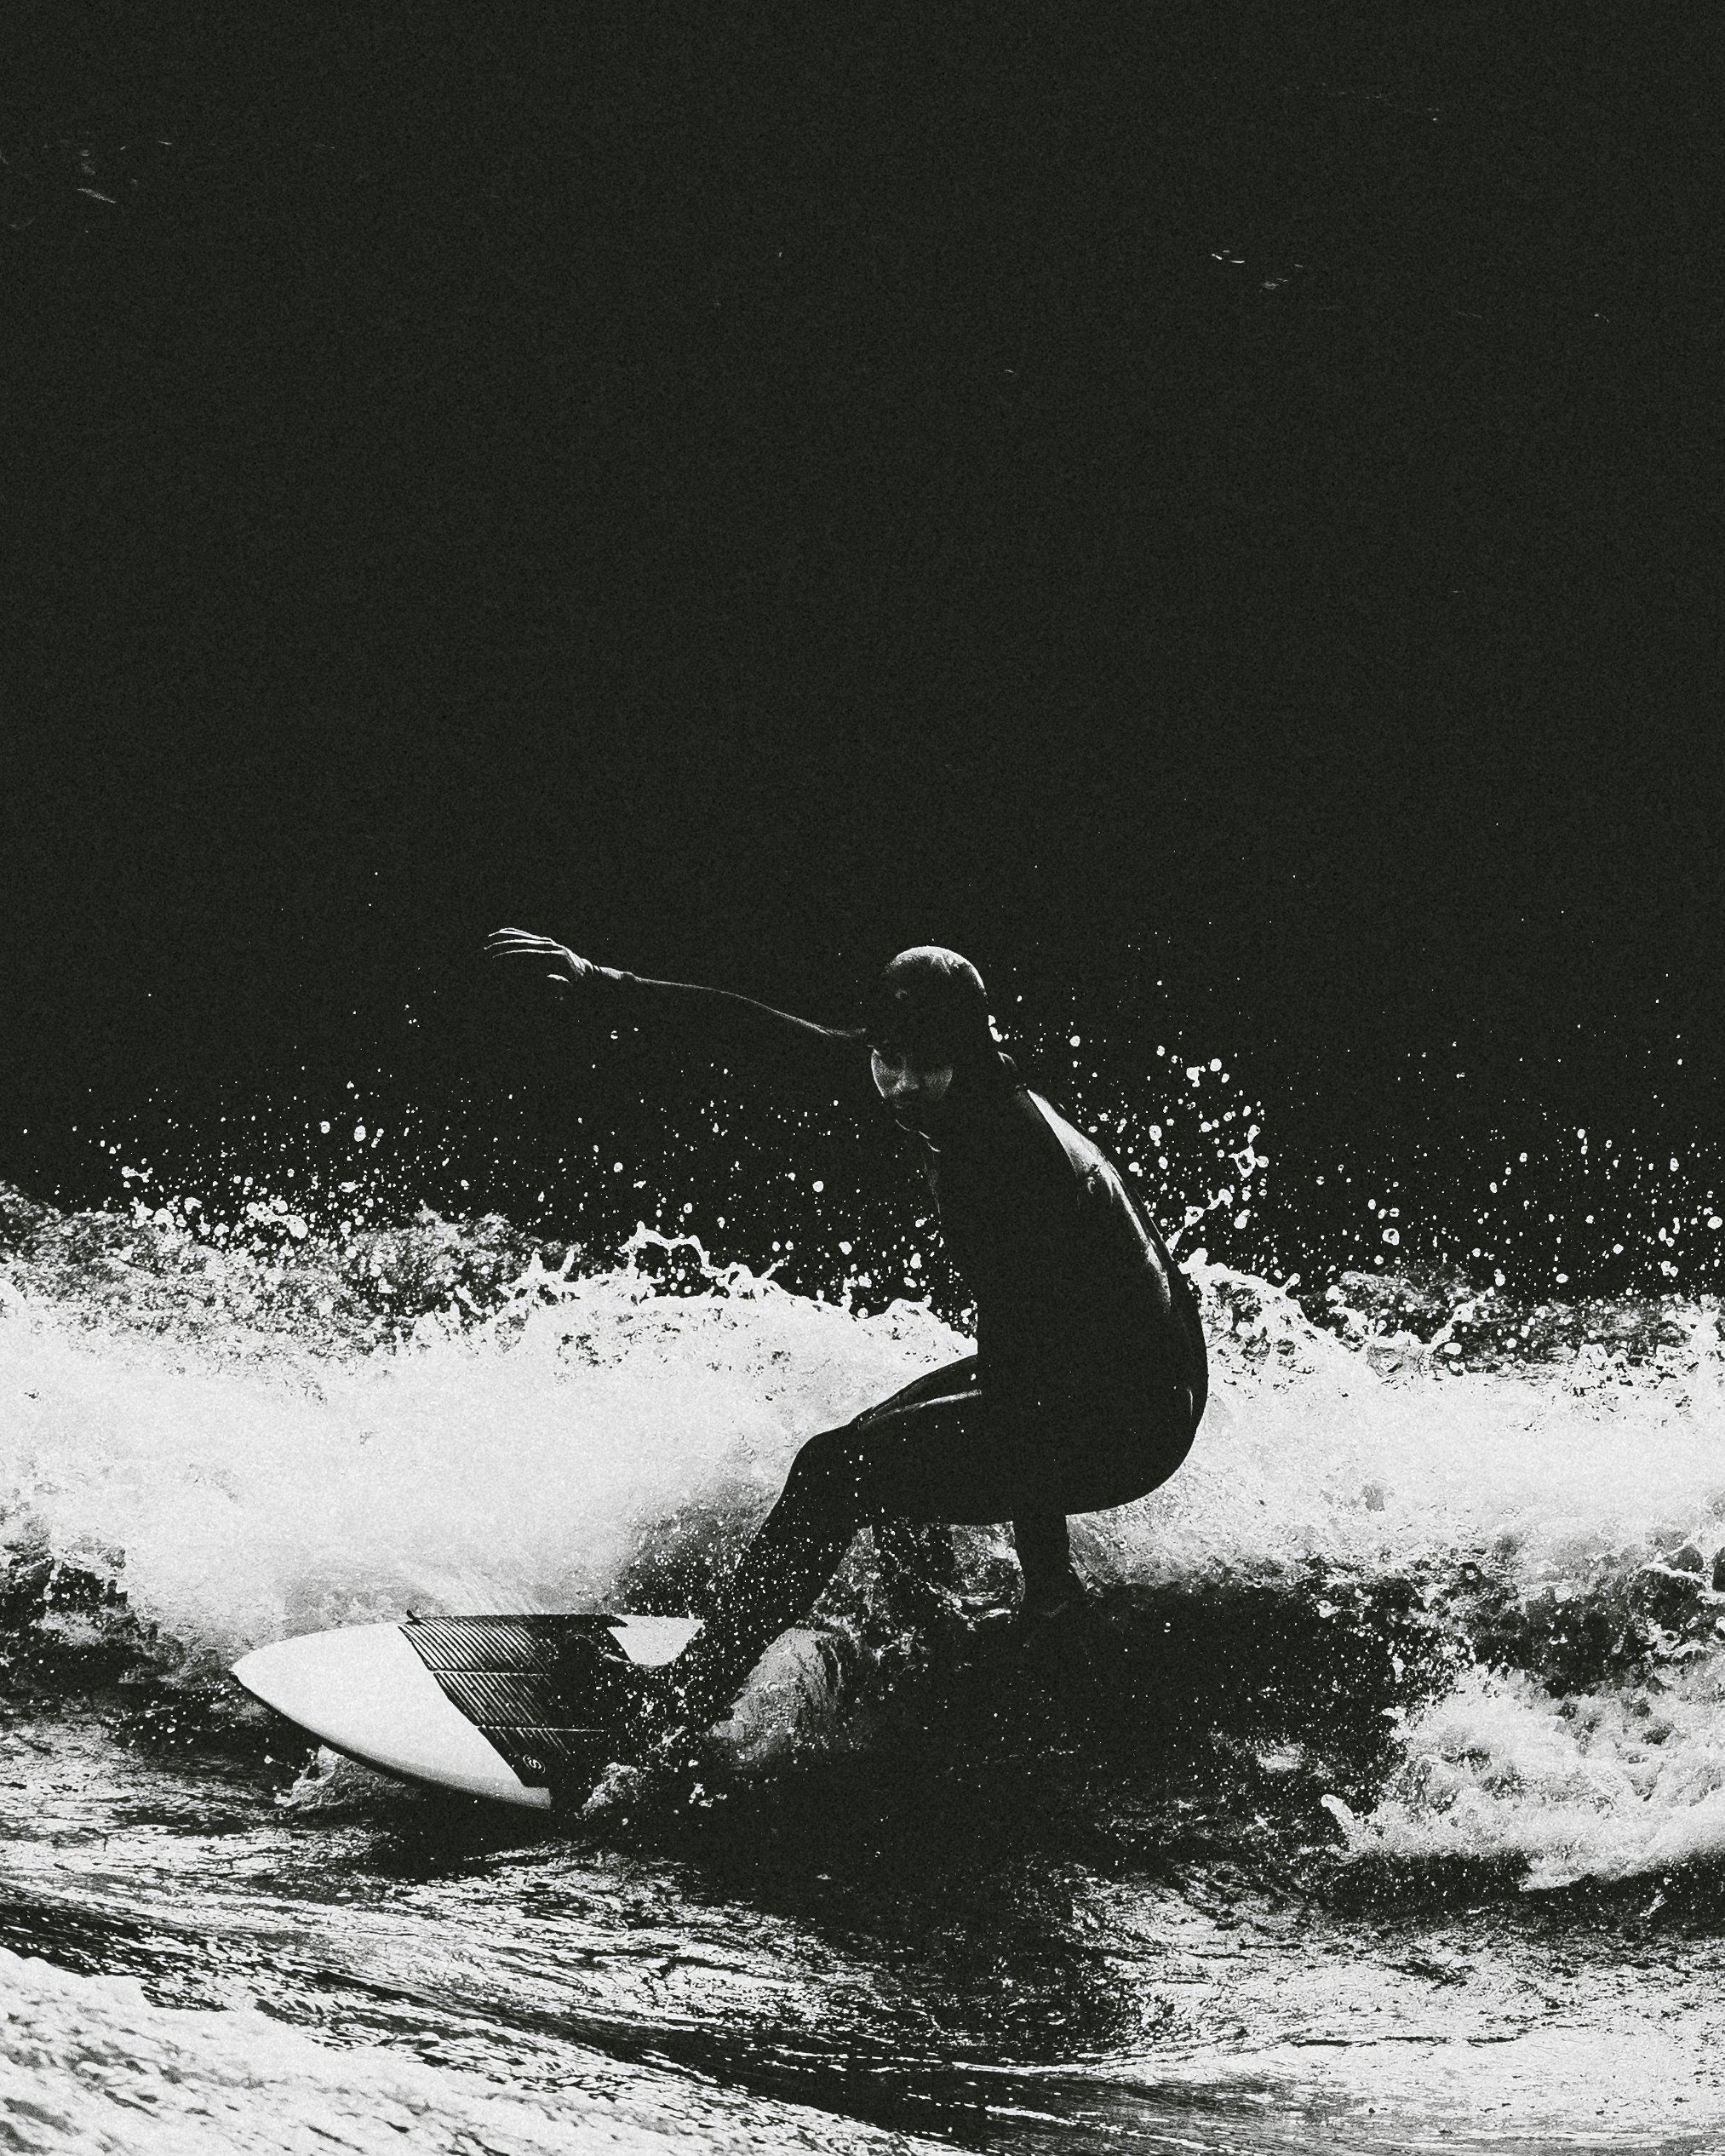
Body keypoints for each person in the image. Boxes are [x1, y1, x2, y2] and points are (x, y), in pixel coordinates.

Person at [486, 929, 1207, 1742]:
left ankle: (681, 1704)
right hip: (1105, 1363)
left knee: (835, 1473)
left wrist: (1045, 1579)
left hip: (1133, 1414)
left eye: (924, 1066)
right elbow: (761, 1036)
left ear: (969, 1055)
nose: (901, 1086)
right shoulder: (927, 1085)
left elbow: (1028, 1403)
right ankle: (938, 1634)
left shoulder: (1007, 1162)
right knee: (876, 1442)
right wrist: (603, 981)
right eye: (887, 1060)